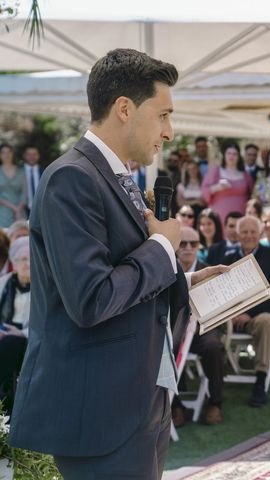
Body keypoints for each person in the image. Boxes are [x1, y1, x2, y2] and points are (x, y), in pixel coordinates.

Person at [8, 48, 228, 479]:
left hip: (140, 399)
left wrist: (182, 278)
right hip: (101, 413)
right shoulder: (72, 178)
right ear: (124, 108)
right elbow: (91, 298)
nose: (169, 130)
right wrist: (163, 248)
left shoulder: (114, 177)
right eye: (163, 114)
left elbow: (117, 271)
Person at [223, 216, 270, 406]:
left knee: (264, 322)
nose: (249, 236)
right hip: (232, 316)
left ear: (260, 234)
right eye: (245, 232)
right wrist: (231, 313)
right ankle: (213, 383)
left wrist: (249, 312)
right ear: (238, 234)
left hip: (263, 313)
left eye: (253, 232)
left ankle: (260, 381)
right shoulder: (228, 259)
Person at [171, 226, 225, 427]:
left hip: (203, 328)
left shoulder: (209, 270)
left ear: (198, 246)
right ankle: (175, 405)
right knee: (163, 349)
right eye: (182, 243)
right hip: (175, 329)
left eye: (192, 243)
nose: (187, 248)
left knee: (213, 347)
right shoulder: (168, 269)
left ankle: (216, 403)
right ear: (176, 246)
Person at [0, 237, 30, 413]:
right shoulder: (3, 283)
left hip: (27, 339)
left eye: (31, 259)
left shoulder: (44, 288)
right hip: (3, 333)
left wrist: (22, 334)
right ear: (14, 262)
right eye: (22, 259)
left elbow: (46, 325)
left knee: (11, 343)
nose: (27, 264)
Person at [202, 142, 254, 223]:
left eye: (234, 154)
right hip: (219, 214)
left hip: (241, 216)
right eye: (229, 153)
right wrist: (218, 187)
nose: (231, 156)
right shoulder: (215, 171)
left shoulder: (245, 174)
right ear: (224, 155)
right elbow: (204, 191)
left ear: (238, 156)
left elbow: (252, 194)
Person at [0, 144, 26, 229]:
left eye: (9, 152)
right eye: (3, 152)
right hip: (3, 212)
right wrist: (14, 208)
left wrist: (19, 209)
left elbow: (25, 192)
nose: (6, 155)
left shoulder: (21, 171)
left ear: (12, 154)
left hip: (20, 211)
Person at [22, 146, 42, 218]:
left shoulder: (45, 172)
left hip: (40, 209)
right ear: (24, 155)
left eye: (34, 154)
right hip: (22, 210)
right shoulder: (18, 172)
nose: (32, 157)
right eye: (29, 154)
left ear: (38, 155)